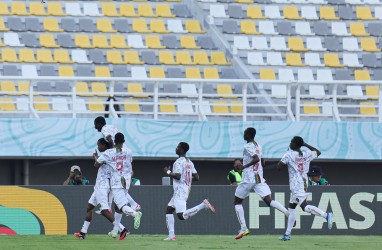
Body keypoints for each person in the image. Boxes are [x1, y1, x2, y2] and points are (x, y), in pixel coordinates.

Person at [234, 127, 290, 240]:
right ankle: (286, 212)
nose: (243, 135)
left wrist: (243, 167)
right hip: (259, 178)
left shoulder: (247, 146)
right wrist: (246, 161)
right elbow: (262, 161)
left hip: (249, 178)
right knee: (269, 201)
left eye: (245, 133)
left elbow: (256, 159)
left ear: (248, 135)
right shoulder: (258, 146)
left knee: (237, 202)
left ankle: (244, 228)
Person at [277, 136, 333, 241]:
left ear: (295, 144)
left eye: (291, 142)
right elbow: (318, 152)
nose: (290, 143)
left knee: (304, 207)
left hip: (296, 184)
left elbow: (279, 167)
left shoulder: (289, 154)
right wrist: (305, 144)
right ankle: (287, 234)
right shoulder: (306, 154)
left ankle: (326, 215)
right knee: (291, 208)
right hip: (303, 182)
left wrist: (285, 161)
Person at [93, 116, 141, 236]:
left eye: (96, 124)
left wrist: (109, 151)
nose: (95, 127)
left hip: (117, 179)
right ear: (123, 141)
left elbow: (97, 163)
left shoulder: (109, 150)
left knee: (120, 204)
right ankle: (115, 230)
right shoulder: (129, 151)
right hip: (127, 178)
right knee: (118, 205)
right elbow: (129, 163)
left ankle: (135, 212)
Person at [74, 138, 128, 240]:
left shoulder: (106, 154)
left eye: (99, 145)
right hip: (102, 184)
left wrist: (95, 156)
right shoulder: (112, 153)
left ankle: (123, 229)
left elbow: (96, 164)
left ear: (104, 145)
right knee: (89, 207)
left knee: (104, 211)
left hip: (102, 185)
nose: (98, 147)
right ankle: (83, 232)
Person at [163, 142, 216, 241]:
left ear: (182, 150)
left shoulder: (178, 162)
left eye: (178, 147)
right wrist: (186, 179)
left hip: (180, 191)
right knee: (169, 210)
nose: (176, 148)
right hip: (184, 189)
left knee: (181, 216)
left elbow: (178, 176)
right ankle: (171, 235)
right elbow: (197, 177)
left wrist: (167, 171)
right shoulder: (189, 162)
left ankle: (203, 205)